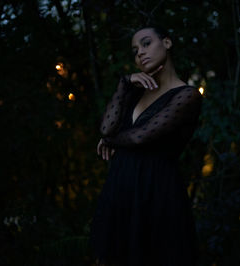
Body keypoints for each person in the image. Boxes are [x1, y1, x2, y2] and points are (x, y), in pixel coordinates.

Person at [89, 24, 203, 266]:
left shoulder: (187, 95)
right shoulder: (133, 92)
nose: (139, 52)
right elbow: (105, 128)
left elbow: (139, 137)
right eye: (134, 50)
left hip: (156, 191)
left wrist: (111, 141)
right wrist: (124, 83)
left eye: (146, 43)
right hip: (121, 187)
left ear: (167, 43)